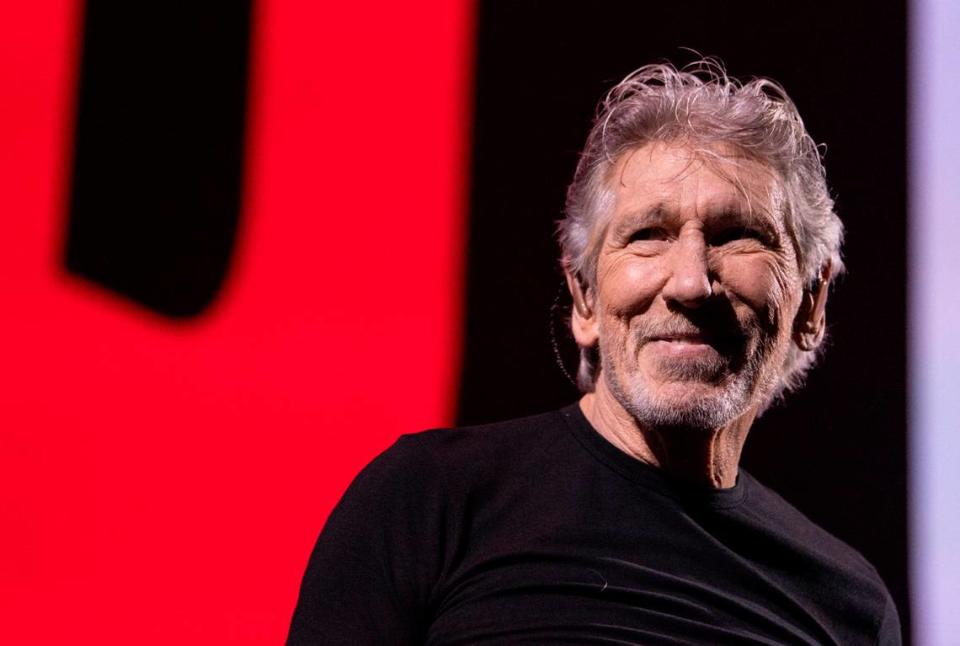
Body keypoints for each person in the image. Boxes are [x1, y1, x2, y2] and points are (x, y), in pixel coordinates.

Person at [288, 60, 901, 645]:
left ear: (812, 304)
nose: (690, 282)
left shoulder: (848, 605)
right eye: (647, 236)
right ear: (583, 297)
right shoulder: (428, 502)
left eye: (738, 235)